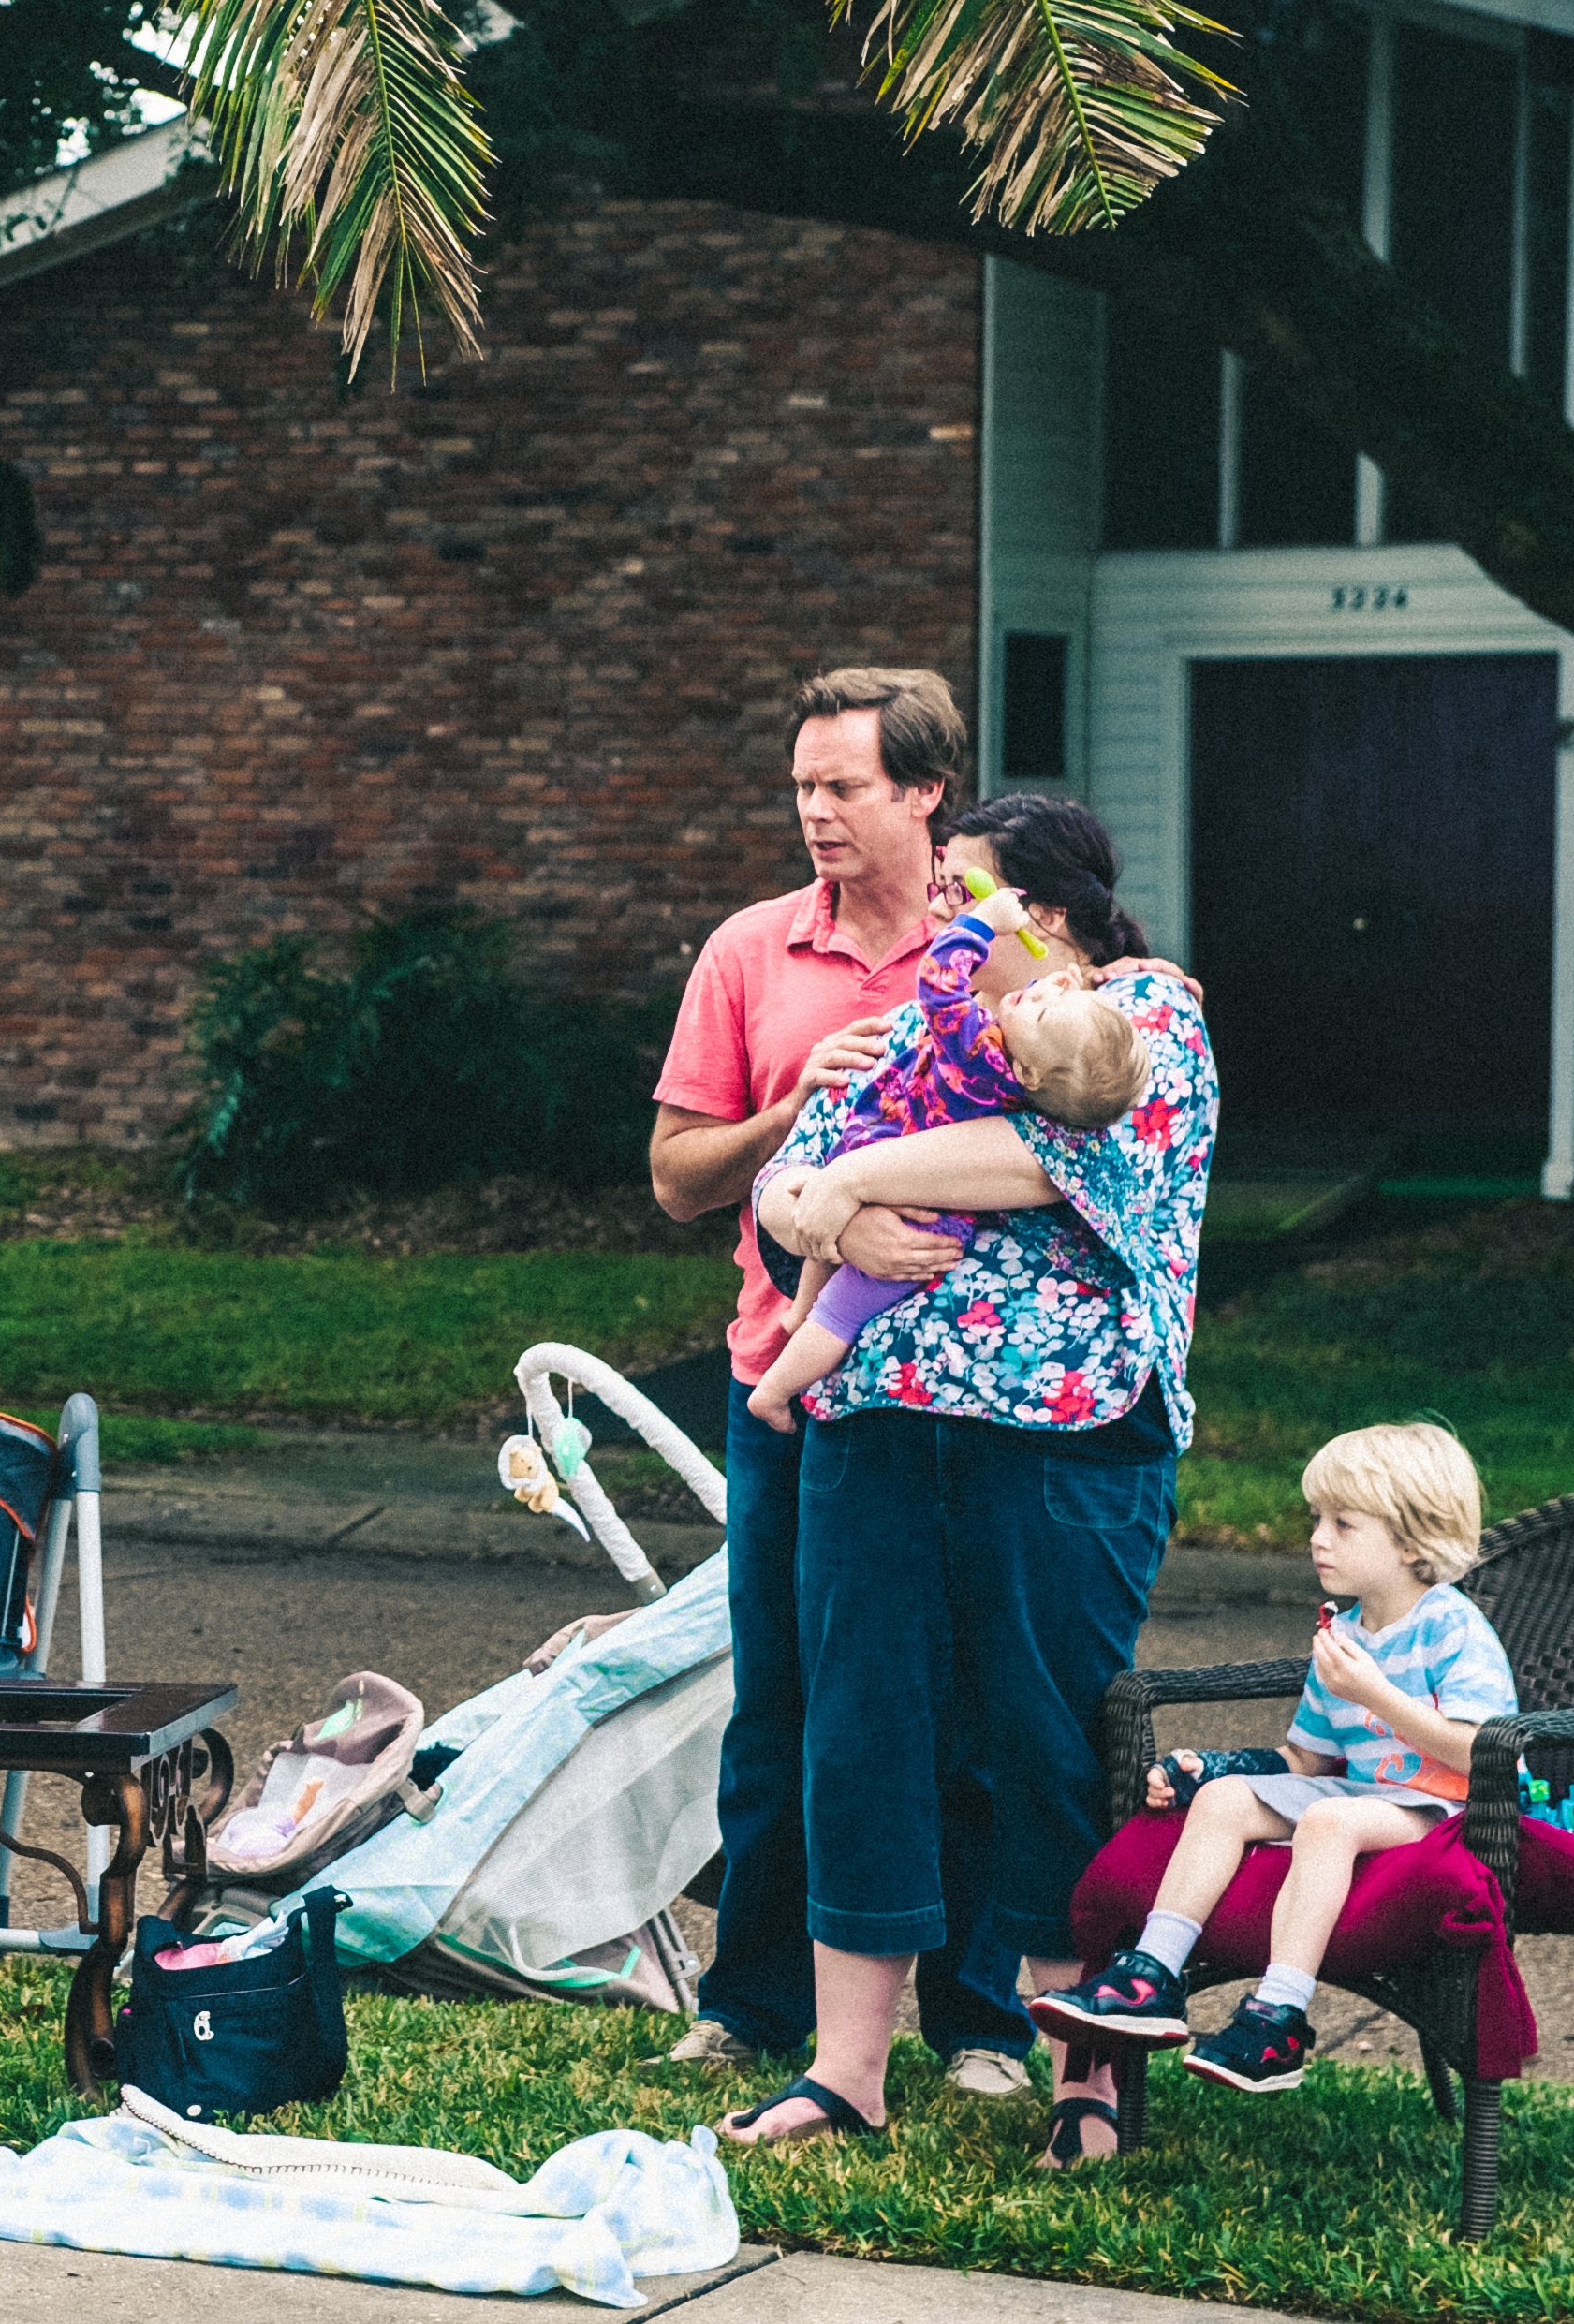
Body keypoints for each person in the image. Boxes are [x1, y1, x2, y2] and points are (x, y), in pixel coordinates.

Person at [726, 788, 1214, 2168]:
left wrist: (851, 1183)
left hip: (1060, 1443)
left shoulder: (1143, 1016)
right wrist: (809, 1201)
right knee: (859, 1733)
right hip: (873, 1428)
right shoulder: (921, 1019)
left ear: (1043, 919)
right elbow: (788, 1177)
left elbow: (1048, 1153)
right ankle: (843, 2072)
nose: (934, 917)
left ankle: (1081, 2070)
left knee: (1046, 1744)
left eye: (963, 895)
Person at [609, 667, 1042, 2094]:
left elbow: (1082, 1137)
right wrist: (797, 1110)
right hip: (783, 1382)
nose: (814, 813)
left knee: (966, 1701)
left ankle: (979, 2021)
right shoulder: (748, 951)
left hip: (964, 1395)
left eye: (842, 785)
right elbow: (676, 1179)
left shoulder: (998, 938)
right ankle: (752, 2001)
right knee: (784, 1699)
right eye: (801, 785)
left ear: (924, 792)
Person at [1031, 1424, 1513, 2098]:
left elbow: (1482, 1751)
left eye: (1343, 1524)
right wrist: (1217, 1767)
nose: (1318, 1537)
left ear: (1412, 1540)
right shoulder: (1341, 1633)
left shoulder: (1452, 1626)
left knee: (1328, 1824)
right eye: (1317, 1519)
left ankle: (1279, 2018)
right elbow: (1305, 1761)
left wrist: (1373, 1694)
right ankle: (1151, 1978)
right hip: (1358, 1796)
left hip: (1444, 1808)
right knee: (1226, 1803)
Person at [744, 883, 1147, 1432]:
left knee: (838, 1312)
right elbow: (1065, 1037)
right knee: (836, 1283)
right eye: (1049, 995)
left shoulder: (981, 1049)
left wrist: (985, 923)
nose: (1035, 998)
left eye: (1044, 1013)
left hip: (901, 1198)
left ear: (1027, 1069)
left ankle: (773, 1389)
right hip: (926, 1211)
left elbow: (938, 979)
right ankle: (797, 1316)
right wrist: (1059, 998)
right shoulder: (1039, 1083)